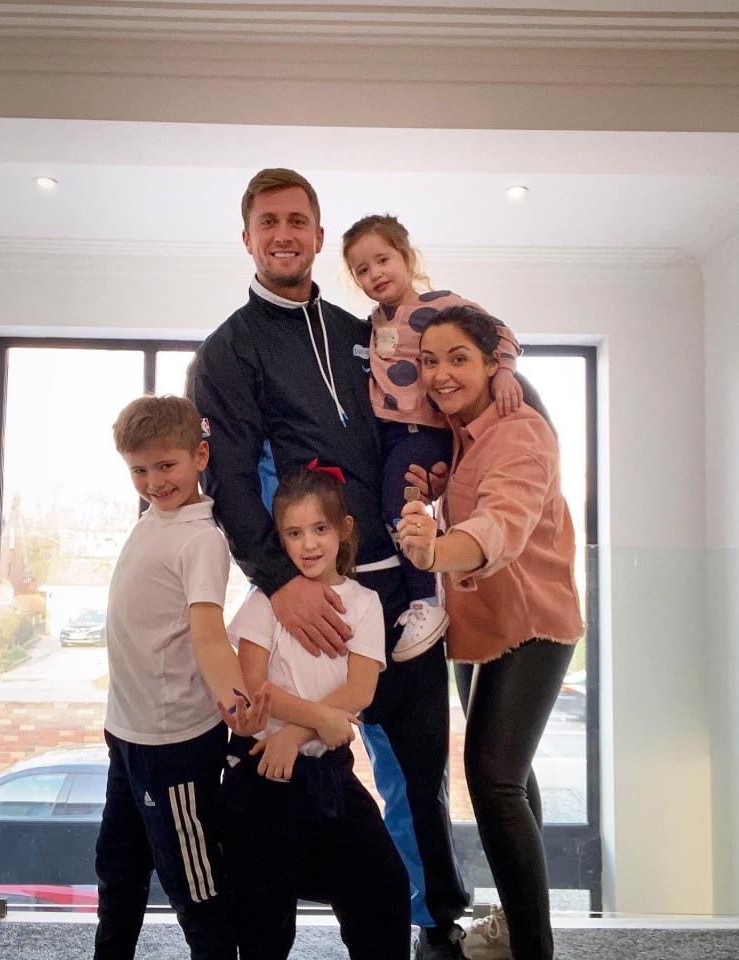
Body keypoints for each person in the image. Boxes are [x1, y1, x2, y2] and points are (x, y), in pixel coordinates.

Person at [187, 168, 470, 959]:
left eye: (299, 221)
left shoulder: (365, 331)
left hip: (402, 598)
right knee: (297, 772)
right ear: (248, 238)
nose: (284, 233)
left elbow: (411, 426)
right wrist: (283, 585)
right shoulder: (226, 351)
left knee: (418, 779)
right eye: (268, 221)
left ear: (318, 235)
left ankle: (435, 922)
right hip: (302, 602)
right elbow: (231, 482)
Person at [398, 305, 584, 960]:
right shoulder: (457, 434)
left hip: (532, 623)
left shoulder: (520, 431)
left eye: (458, 359)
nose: (442, 374)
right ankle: (514, 924)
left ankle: (535, 948)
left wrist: (435, 550)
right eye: (430, 361)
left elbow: (502, 525)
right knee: (514, 773)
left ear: (488, 363)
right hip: (479, 629)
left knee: (492, 776)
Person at [93, 395, 269, 960]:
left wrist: (237, 706)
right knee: (116, 866)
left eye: (165, 466)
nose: (152, 481)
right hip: (127, 732)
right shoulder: (154, 519)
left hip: (172, 747)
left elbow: (209, 636)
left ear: (200, 455)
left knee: (195, 887)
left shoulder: (202, 539)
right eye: (139, 470)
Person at [222, 464, 411, 960]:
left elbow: (362, 688)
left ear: (344, 529)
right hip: (264, 772)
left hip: (328, 772)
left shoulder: (365, 602)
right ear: (279, 539)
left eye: (319, 529)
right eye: (293, 532)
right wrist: (309, 723)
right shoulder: (266, 602)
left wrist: (298, 731)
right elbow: (250, 683)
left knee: (384, 888)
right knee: (263, 917)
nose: (308, 544)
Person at [342, 214, 522, 662]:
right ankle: (423, 592)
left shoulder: (442, 305)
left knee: (397, 506)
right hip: (387, 433)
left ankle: (427, 601)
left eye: (382, 260)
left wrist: (504, 373)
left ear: (406, 257)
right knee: (382, 507)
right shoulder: (372, 322)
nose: (374, 274)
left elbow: (499, 333)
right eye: (362, 270)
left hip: (422, 430)